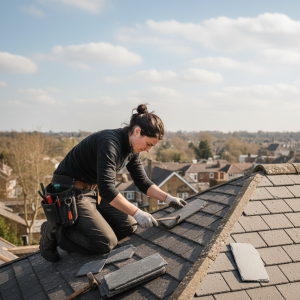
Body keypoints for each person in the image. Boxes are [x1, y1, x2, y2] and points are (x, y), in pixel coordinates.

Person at [40, 104, 187, 262]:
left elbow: (142, 182)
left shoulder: (131, 150)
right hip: (70, 192)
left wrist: (168, 199)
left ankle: (90, 225)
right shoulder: (110, 143)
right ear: (137, 131)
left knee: (128, 226)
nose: (148, 150)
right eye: (149, 144)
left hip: (92, 191)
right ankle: (54, 231)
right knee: (104, 243)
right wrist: (137, 212)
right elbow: (107, 189)